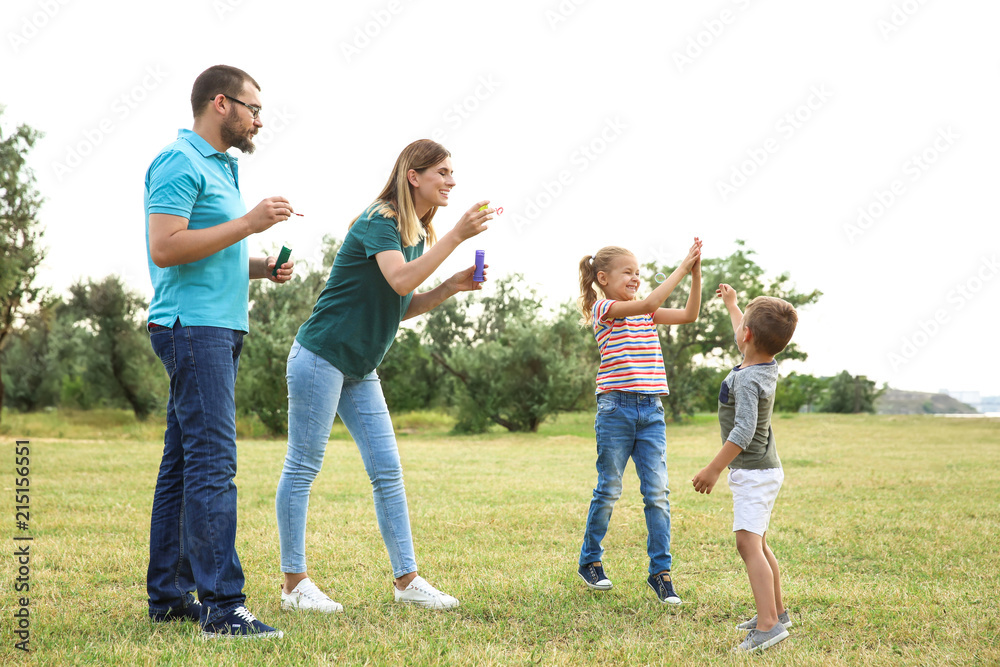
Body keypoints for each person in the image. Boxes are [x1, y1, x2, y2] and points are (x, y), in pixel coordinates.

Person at [275, 139, 492, 612]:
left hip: (360, 366)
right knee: (304, 466)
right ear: (414, 176)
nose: (452, 181)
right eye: (443, 173)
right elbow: (398, 279)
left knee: (388, 471)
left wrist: (452, 286)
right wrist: (456, 237)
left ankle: (407, 581)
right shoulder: (381, 220)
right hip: (321, 355)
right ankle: (294, 586)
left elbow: (400, 304)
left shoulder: (414, 232)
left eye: (453, 173)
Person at [144, 64, 295, 639]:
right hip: (192, 327)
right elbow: (166, 246)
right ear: (221, 104)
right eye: (254, 108)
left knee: (183, 464)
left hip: (219, 325)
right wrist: (252, 221)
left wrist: (260, 266)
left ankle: (169, 596)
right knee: (214, 464)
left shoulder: (223, 168)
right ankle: (223, 605)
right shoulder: (179, 161)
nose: (259, 120)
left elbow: (209, 249)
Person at [576, 240, 702, 604]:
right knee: (609, 489)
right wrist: (681, 266)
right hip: (615, 409)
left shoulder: (647, 313)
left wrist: (695, 274)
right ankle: (590, 562)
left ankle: (660, 574)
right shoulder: (605, 308)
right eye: (628, 272)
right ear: (603, 278)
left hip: (651, 412)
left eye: (638, 273)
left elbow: (690, 314)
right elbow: (647, 303)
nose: (636, 278)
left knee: (657, 494)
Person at [691, 285, 798, 653]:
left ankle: (768, 627)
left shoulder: (749, 378)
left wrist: (713, 469)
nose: (738, 331)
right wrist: (734, 305)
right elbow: (746, 334)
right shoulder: (763, 362)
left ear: (748, 335)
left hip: (753, 472)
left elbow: (744, 429)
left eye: (741, 326)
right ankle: (777, 612)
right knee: (760, 543)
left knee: (747, 543)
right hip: (763, 469)